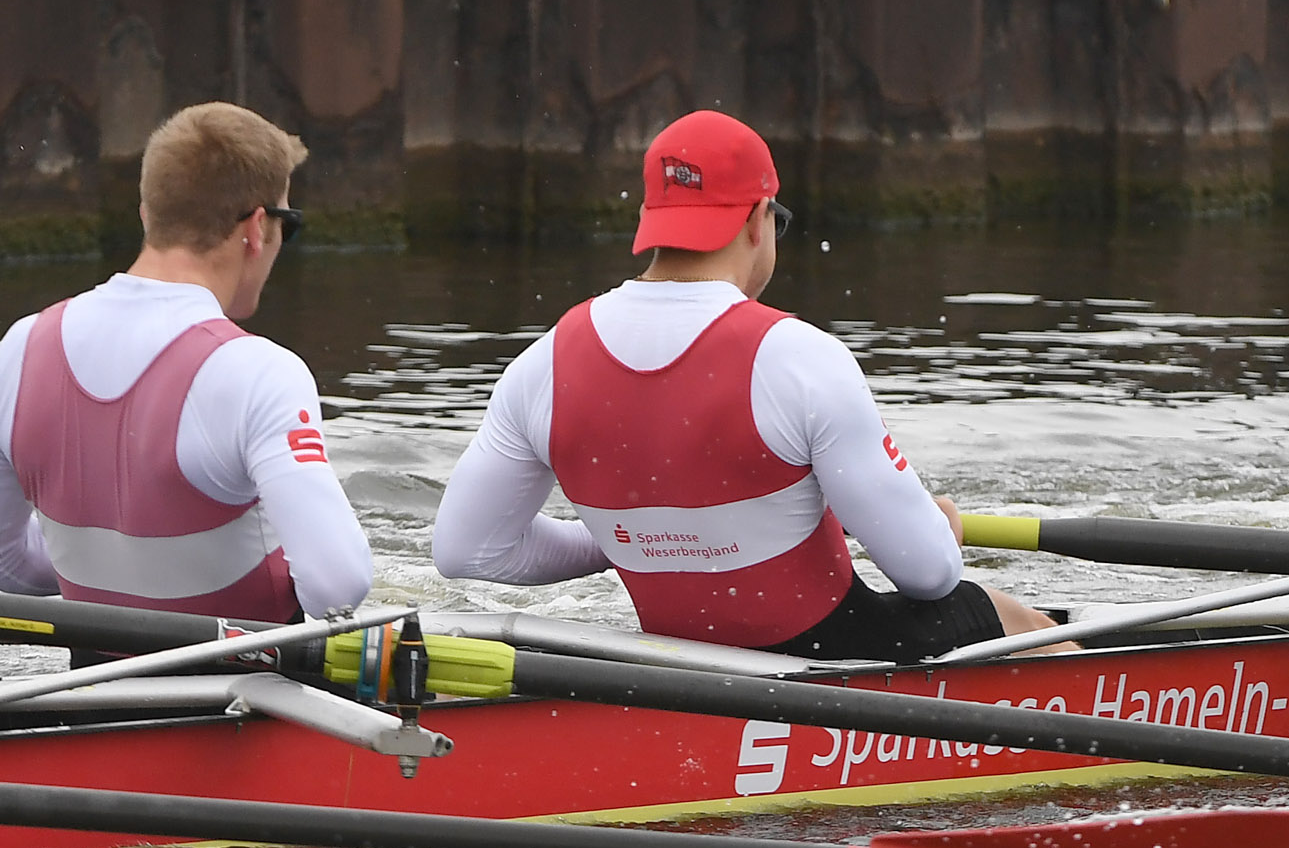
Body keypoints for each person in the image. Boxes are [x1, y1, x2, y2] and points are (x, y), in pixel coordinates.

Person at [432, 110, 1057, 663]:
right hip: (831, 659)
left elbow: (468, 552)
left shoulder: (542, 365)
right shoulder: (800, 357)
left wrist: (626, 538)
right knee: (1003, 613)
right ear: (759, 218)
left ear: (651, 221)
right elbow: (928, 574)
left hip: (679, 664)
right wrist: (940, 527)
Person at [0, 102, 373, 621]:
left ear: (147, 214)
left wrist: (104, 571)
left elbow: (5, 565)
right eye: (289, 223)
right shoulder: (259, 372)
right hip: (241, 694)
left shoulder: (19, 348)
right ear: (257, 228)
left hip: (88, 692)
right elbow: (338, 587)